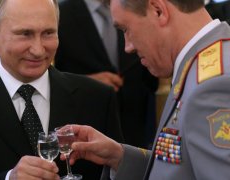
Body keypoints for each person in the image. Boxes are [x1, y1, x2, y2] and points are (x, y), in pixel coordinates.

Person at [0, 0, 124, 179]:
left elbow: (119, 172)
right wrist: (9, 178)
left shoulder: (97, 97)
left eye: (48, 33)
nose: (38, 50)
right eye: (24, 34)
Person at [66, 0, 230, 179]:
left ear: (158, 10)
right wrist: (120, 157)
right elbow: (186, 166)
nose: (128, 46)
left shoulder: (212, 87)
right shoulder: (208, 64)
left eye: (125, 29)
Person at [55, 0, 158, 148]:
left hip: (136, 126)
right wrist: (89, 82)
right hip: (87, 130)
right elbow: (51, 73)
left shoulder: (134, 5)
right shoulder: (61, 13)